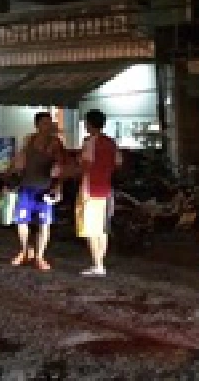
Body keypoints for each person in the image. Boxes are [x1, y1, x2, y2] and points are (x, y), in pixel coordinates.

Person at [10, 111, 67, 271]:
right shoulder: (29, 140)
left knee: (44, 224)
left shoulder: (56, 143)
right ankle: (24, 250)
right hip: (26, 186)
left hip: (45, 189)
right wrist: (11, 173)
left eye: (49, 123)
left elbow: (62, 166)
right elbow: (19, 159)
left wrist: (58, 186)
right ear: (37, 125)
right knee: (21, 221)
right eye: (44, 123)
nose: (47, 126)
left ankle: (40, 256)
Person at [77, 109, 121, 277]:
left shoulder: (89, 142)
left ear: (89, 124)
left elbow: (85, 165)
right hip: (107, 188)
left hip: (91, 188)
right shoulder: (111, 142)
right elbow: (118, 163)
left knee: (91, 229)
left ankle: (98, 265)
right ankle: (99, 262)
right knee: (102, 229)